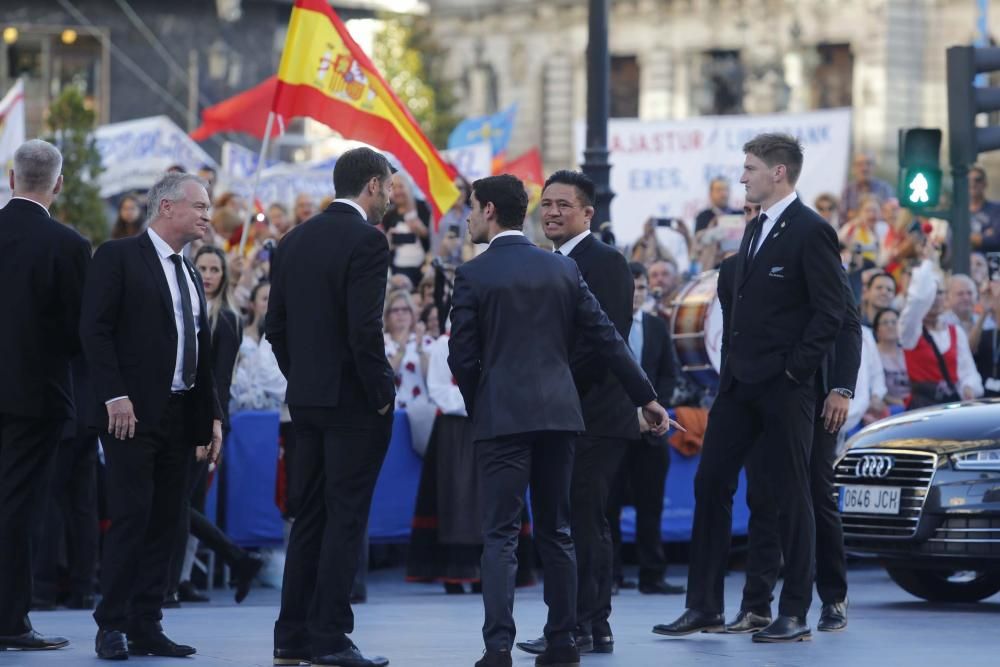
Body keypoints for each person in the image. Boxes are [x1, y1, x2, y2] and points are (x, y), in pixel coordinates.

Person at [448, 173, 677, 667]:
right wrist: (648, 397)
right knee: (560, 531)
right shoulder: (561, 270)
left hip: (503, 416)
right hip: (560, 415)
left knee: (502, 535)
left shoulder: (473, 275)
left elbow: (461, 358)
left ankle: (498, 647)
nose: (466, 217)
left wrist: (480, 399)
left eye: (469, 208)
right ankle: (563, 642)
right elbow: (610, 341)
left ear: (488, 210)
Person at [655, 133, 846, 644]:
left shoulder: (811, 230)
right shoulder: (754, 228)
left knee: (792, 495)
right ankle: (703, 607)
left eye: (750, 168)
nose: (742, 177)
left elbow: (834, 313)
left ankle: (795, 612)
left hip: (785, 387)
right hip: (738, 386)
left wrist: (795, 372)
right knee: (710, 483)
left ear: (778, 172)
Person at [81, 172, 223, 660]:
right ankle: (111, 625)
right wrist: (114, 395)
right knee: (132, 518)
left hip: (181, 417)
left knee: (167, 522)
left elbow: (199, 353)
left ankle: (147, 622)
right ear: (167, 207)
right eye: (200, 206)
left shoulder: (188, 271)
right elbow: (94, 331)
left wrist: (213, 419)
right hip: (131, 416)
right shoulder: (118, 257)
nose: (208, 215)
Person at [266, 147, 396, 667]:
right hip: (353, 404)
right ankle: (331, 639)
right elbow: (364, 330)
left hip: (308, 402)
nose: (390, 194)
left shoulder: (293, 240)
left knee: (310, 519)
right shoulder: (367, 241)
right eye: (386, 185)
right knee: (345, 521)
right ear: (370, 186)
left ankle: (290, 638)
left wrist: (303, 377)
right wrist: (381, 392)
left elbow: (275, 328)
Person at [517, 170, 648, 659]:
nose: (551, 212)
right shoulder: (548, 262)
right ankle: (570, 624)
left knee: (584, 522)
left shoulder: (607, 262)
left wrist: (550, 384)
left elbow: (604, 341)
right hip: (561, 412)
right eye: (545, 204)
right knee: (565, 521)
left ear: (588, 213)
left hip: (596, 413)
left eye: (563, 205)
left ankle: (588, 626)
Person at [725, 254, 860, 635]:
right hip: (761, 393)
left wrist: (841, 387)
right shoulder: (741, 265)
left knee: (816, 490)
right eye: (748, 210)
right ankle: (756, 605)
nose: (754, 214)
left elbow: (849, 326)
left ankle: (833, 596)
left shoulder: (810, 249)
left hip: (817, 394)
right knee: (761, 494)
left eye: (757, 208)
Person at [0, 139, 89, 651]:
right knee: (19, 509)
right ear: (57, 184)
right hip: (37, 398)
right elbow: (78, 334)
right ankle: (11, 620)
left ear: (12, 179)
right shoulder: (70, 246)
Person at [166, 246, 262, 607]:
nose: (207, 275)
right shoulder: (189, 311)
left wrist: (211, 426)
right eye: (202, 268)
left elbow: (220, 379)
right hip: (185, 419)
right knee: (185, 505)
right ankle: (184, 579)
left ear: (224, 277)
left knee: (177, 503)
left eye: (214, 270)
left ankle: (227, 561)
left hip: (206, 421)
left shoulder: (227, 319)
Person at [607, 262, 681, 596]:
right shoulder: (606, 326)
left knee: (651, 506)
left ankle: (653, 574)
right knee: (608, 506)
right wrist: (627, 413)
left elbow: (669, 373)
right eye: (631, 288)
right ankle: (610, 574)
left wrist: (653, 411)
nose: (636, 294)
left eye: (640, 288)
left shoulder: (656, 327)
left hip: (652, 432)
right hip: (615, 429)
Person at [899, 244, 983, 408]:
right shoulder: (910, 330)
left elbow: (968, 371)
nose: (935, 298)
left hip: (950, 405)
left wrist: (968, 386)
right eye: (931, 293)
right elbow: (917, 301)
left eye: (939, 293)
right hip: (921, 408)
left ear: (946, 298)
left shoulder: (954, 331)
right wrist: (928, 263)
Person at [382, 173, 432, 286]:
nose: (397, 191)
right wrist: (389, 241)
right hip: (398, 268)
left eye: (401, 186)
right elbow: (388, 247)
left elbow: (429, 236)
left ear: (409, 187)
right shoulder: (388, 215)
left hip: (422, 267)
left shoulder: (422, 207)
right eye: (393, 187)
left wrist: (419, 227)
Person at [874, 308, 910, 407]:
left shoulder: (908, 351)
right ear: (877, 330)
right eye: (885, 323)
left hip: (913, 405)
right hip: (885, 409)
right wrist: (900, 404)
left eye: (894, 322)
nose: (890, 326)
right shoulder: (872, 354)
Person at [840, 153, 894, 219]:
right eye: (860, 165)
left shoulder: (885, 189)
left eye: (868, 164)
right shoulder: (847, 190)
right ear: (853, 169)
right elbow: (842, 216)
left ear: (875, 167)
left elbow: (890, 215)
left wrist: (855, 214)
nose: (864, 168)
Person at [969, 166, 1000, 253]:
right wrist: (983, 236)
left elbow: (996, 239)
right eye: (969, 180)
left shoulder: (997, 209)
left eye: (977, 180)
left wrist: (964, 238)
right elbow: (951, 243)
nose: (972, 183)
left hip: (990, 264)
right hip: (964, 265)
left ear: (985, 183)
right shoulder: (959, 213)